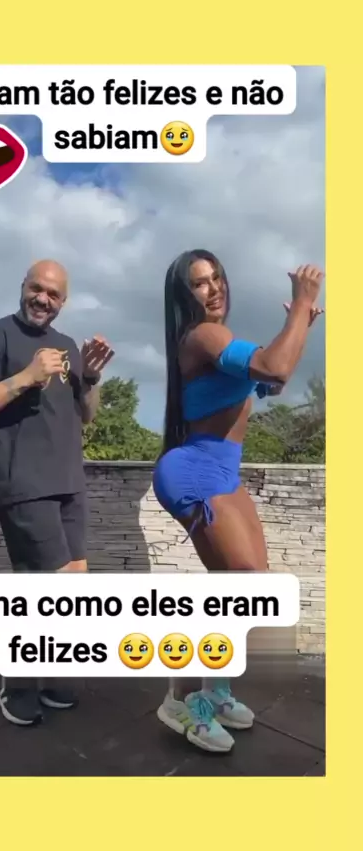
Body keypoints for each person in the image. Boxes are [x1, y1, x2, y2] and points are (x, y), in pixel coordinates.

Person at [152, 250, 324, 753]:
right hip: (194, 472)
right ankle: (180, 701)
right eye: (200, 283)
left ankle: (215, 690)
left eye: (217, 278)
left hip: (224, 472)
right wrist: (301, 302)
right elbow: (273, 363)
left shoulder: (220, 341)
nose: (214, 288)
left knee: (246, 591)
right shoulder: (203, 336)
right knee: (242, 584)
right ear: (185, 296)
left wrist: (300, 326)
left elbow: (274, 378)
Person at [0, 259, 114, 725]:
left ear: (64, 301)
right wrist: (24, 377)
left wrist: (91, 379)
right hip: (23, 482)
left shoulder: (67, 346)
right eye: (37, 289)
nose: (43, 299)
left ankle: (48, 676)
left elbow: (86, 414)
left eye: (54, 294)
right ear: (23, 286)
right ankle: (13, 684)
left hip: (69, 482)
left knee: (70, 589)